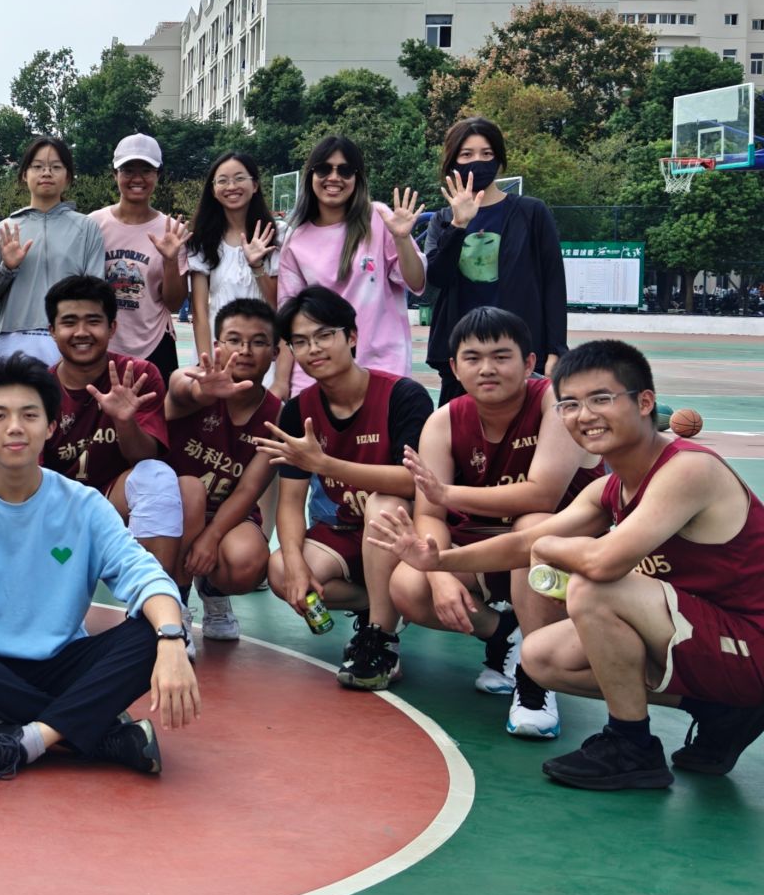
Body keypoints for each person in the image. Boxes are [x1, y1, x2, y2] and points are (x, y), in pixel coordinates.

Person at [372, 340, 764, 789]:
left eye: (601, 399)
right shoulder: (610, 489)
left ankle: (631, 744)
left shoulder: (688, 469)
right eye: (570, 404)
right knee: (540, 657)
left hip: (750, 640)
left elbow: (601, 561)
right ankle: (720, 710)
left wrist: (547, 548)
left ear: (645, 403)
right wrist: (439, 560)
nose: (585, 415)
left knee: (595, 587)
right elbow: (522, 543)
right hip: (706, 636)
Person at [0, 353, 199, 778]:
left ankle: (18, 739)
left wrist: (171, 640)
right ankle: (99, 735)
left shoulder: (84, 505)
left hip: (63, 664)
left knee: (152, 634)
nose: (15, 427)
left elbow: (147, 577)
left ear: (51, 426)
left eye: (29, 415)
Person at [374, 307, 586, 740]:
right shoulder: (444, 421)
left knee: (536, 525)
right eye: (473, 358)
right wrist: (438, 573)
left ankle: (536, 678)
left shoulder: (554, 402)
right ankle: (505, 635)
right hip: (486, 549)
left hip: (563, 555)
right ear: (454, 367)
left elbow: (542, 495)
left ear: (528, 362)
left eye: (501, 356)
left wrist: (448, 493)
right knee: (409, 586)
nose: (487, 368)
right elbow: (429, 515)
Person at [259, 286, 431, 692]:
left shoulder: (402, 396)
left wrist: (325, 464)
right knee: (281, 570)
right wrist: (297, 567)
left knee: (384, 504)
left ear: (351, 336)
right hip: (343, 534)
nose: (313, 349)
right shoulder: (298, 410)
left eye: (323, 335)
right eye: (300, 342)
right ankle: (377, 602)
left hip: (402, 534)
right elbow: (290, 502)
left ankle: (381, 638)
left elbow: (414, 482)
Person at [39, 275, 185, 587]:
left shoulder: (139, 374)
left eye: (93, 321)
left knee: (157, 476)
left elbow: (144, 458)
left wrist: (124, 420)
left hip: (114, 502)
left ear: (112, 327)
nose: (81, 332)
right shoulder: (37, 388)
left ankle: (153, 600)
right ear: (52, 330)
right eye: (69, 322)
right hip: (57, 511)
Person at [423, 116, 569, 404]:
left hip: (520, 352)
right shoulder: (442, 219)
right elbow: (437, 278)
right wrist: (459, 225)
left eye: (486, 153)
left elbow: (553, 283)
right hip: (463, 356)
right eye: (467, 154)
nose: (477, 161)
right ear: (452, 162)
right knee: (461, 430)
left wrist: (556, 350)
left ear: (499, 160)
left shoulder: (532, 213)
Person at [163, 297, 284, 642]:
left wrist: (212, 537)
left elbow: (249, 489)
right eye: (234, 340)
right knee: (189, 492)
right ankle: (175, 605)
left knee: (248, 561)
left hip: (225, 514)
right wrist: (202, 393)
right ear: (217, 346)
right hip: (171, 510)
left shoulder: (276, 414)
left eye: (258, 342)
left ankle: (213, 591)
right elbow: (179, 388)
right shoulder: (193, 379)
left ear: (275, 352)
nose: (244, 350)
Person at [274, 134, 423, 396]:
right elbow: (289, 319)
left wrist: (402, 240)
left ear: (357, 178)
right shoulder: (296, 240)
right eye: (324, 169)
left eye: (344, 170)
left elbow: (416, 281)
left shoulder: (378, 218)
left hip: (381, 371)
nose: (334, 177)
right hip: (317, 377)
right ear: (311, 175)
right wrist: (281, 382)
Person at [0, 135, 105, 367]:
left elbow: (95, 291)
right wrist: (8, 268)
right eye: (38, 166)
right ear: (24, 174)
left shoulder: (87, 228)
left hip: (69, 337)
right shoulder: (4, 230)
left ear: (68, 176)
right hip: (12, 339)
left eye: (56, 167)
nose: (47, 173)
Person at [89, 133, 190, 379]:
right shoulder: (93, 225)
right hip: (102, 343)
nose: (137, 178)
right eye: (128, 170)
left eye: (146, 170)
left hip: (154, 344)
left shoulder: (172, 230)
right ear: (114, 174)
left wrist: (170, 260)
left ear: (158, 175)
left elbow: (175, 303)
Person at [184, 150, 279, 357]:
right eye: (223, 181)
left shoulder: (276, 234)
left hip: (262, 347)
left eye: (239, 178)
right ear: (213, 190)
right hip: (218, 346)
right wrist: (206, 362)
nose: (231, 186)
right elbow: (200, 311)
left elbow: (277, 302)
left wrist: (256, 266)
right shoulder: (202, 240)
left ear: (255, 185)